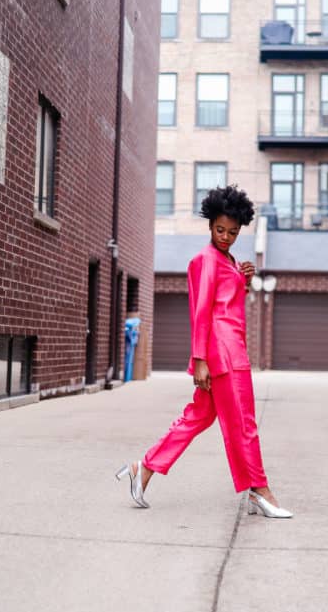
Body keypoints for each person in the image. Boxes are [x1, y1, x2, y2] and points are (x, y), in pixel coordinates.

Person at [116, 185, 292, 519]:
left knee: (198, 417)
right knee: (243, 425)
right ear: (209, 224)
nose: (225, 236)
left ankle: (145, 468)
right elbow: (201, 312)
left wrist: (245, 281)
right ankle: (259, 489)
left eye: (233, 232)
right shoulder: (204, 261)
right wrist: (200, 361)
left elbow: (229, 304)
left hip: (230, 350)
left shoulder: (230, 261)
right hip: (222, 356)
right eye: (219, 230)